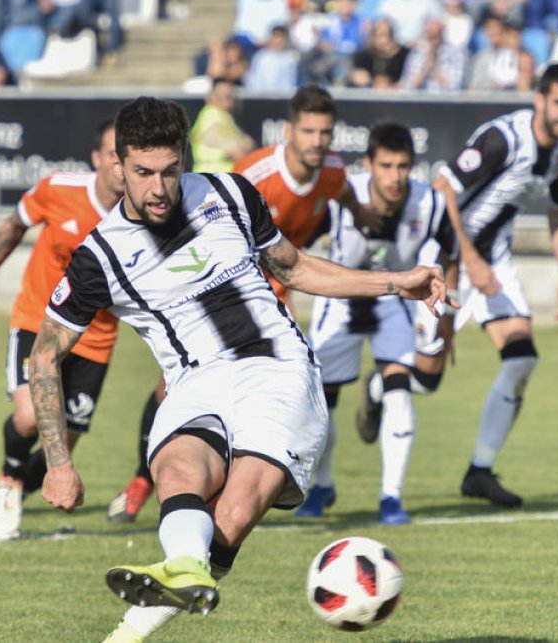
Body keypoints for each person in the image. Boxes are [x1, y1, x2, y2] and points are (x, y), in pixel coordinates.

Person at [30, 96, 448, 641]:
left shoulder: (227, 193)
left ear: (184, 157)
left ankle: (145, 612)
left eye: (170, 170)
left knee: (236, 509)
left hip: (279, 372)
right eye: (142, 173)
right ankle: (177, 577)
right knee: (178, 472)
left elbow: (294, 269)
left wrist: (396, 281)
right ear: (117, 166)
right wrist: (57, 462)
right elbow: (43, 354)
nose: (159, 188)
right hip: (193, 382)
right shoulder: (99, 257)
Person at [106, 86, 377, 525]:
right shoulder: (255, 173)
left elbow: (342, 194)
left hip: (275, 299)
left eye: (325, 132)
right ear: (289, 131)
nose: (317, 141)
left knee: (309, 389)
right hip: (223, 294)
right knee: (170, 387)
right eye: (308, 131)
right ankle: (143, 480)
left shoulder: (330, 171)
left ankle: (294, 485)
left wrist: (365, 218)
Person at [432, 62, 558, 508]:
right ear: (540, 99)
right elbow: (443, 189)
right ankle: (379, 389)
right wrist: (469, 258)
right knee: (425, 377)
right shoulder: (503, 138)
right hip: (442, 253)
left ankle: (479, 471)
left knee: (521, 358)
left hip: (492, 260)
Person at [0, 121, 124, 541]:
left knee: (61, 450)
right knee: (31, 415)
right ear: (97, 158)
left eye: (126, 155)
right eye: (112, 153)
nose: (119, 163)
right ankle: (10, 484)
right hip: (39, 319)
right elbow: (12, 227)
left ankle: (14, 485)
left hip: (97, 339)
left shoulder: (145, 214)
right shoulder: (59, 190)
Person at [301, 122, 455, 524]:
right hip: (341, 301)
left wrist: (447, 315)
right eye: (385, 166)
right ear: (368, 164)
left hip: (395, 303)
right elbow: (295, 245)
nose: (395, 176)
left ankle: (391, 497)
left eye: (403, 166)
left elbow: (451, 252)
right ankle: (323, 484)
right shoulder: (338, 197)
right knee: (322, 404)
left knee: (399, 391)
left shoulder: (430, 204)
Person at [189, 77, 255, 173]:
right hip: (213, 178)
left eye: (230, 97)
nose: (230, 102)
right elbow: (238, 153)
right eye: (224, 97)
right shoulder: (213, 115)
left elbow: (249, 144)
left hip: (218, 177)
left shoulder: (225, 117)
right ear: (211, 98)